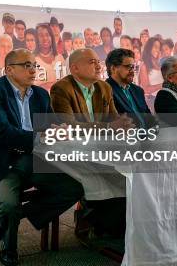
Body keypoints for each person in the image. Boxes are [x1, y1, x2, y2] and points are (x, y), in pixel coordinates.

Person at [0, 49, 85, 266]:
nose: (33, 70)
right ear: (9, 70)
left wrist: (59, 129)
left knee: (76, 186)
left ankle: (18, 216)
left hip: (33, 161)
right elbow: (2, 132)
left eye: (34, 65)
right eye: (26, 65)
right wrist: (41, 137)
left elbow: (47, 126)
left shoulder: (40, 94)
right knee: (6, 203)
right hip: (1, 164)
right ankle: (9, 248)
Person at [50, 48, 133, 239]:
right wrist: (109, 127)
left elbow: (113, 121)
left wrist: (123, 126)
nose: (98, 65)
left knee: (130, 171)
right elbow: (70, 128)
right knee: (110, 175)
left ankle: (108, 222)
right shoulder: (61, 88)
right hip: (74, 152)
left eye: (98, 61)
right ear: (75, 68)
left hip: (102, 149)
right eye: (91, 61)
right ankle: (94, 218)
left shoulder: (104, 87)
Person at [105, 48, 155, 128]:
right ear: (113, 68)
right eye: (128, 67)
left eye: (133, 67)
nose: (132, 71)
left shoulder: (138, 90)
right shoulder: (105, 91)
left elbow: (149, 118)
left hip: (148, 137)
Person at [34, 23, 66, 91]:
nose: (45, 38)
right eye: (41, 35)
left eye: (47, 35)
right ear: (36, 39)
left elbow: (65, 83)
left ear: (52, 37)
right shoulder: (31, 60)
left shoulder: (60, 58)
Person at [138, 37, 163, 109]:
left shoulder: (159, 63)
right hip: (153, 101)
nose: (157, 50)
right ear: (149, 48)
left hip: (163, 99)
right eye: (155, 47)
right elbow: (146, 89)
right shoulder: (144, 65)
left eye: (159, 48)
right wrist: (162, 85)